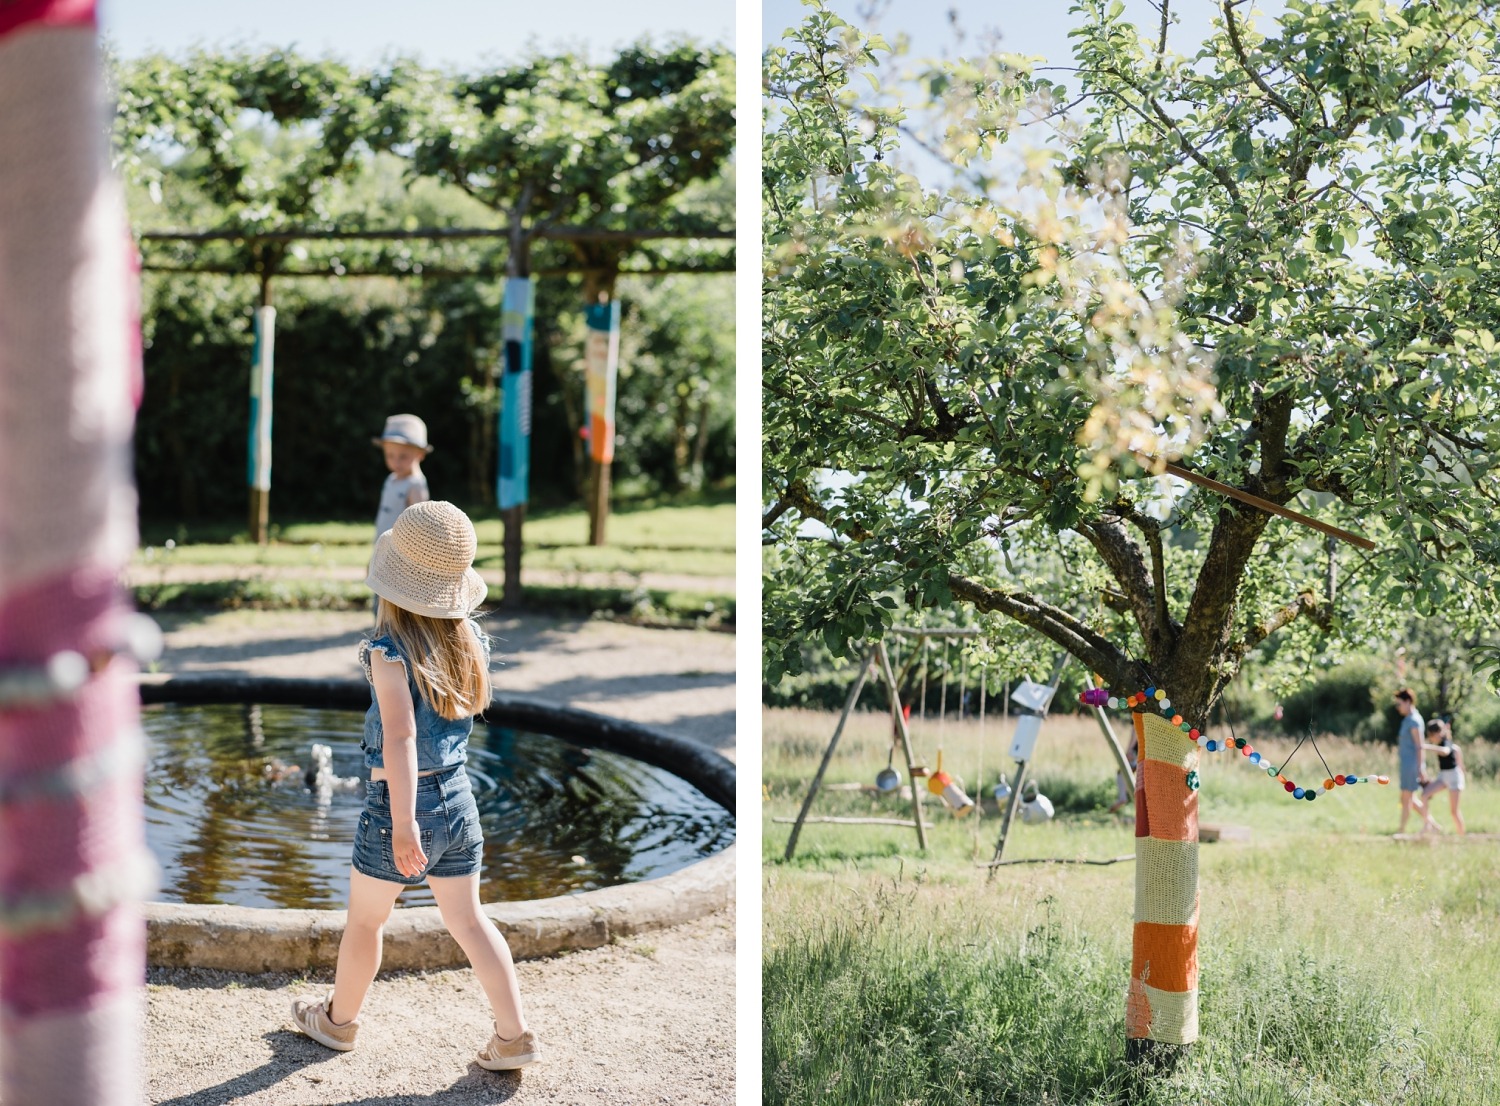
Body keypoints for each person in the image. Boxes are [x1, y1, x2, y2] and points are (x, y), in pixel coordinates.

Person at [290, 500, 539, 1070]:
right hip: (458, 798)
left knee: (366, 921)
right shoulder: (466, 640)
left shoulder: (386, 652)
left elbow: (400, 737)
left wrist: (402, 823)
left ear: (393, 586)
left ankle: (337, 1023)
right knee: (471, 921)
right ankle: (514, 1036)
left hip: (399, 807)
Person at [372, 413, 433, 543]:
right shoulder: (391, 479)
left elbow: (419, 524)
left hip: (400, 550)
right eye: (390, 455)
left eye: (403, 456)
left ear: (420, 454)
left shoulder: (415, 484)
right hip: (383, 543)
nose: (396, 462)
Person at [1393, 688, 1439, 835]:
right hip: (1407, 764)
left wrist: (1420, 767)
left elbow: (1420, 746)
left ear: (1408, 702)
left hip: (1412, 765)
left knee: (1407, 799)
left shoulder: (1414, 721)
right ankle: (1433, 825)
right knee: (1408, 799)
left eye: (1399, 704)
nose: (1398, 707)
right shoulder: (1407, 720)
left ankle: (1401, 831)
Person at [1421, 717, 1466, 835]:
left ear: (1438, 733)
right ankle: (1428, 824)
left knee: (1454, 811)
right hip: (1443, 776)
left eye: (1431, 735)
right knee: (1425, 795)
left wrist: (1426, 747)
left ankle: (1462, 836)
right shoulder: (1441, 742)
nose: (1430, 738)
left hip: (1454, 778)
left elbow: (1445, 751)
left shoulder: (1447, 742)